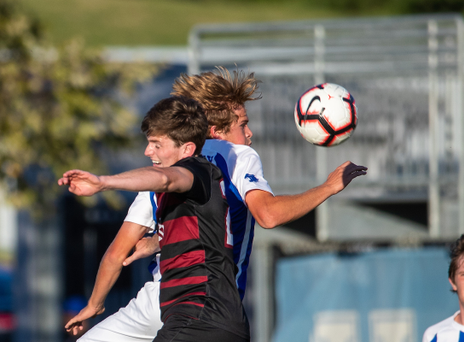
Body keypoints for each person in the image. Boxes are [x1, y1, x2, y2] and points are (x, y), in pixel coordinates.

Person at [64, 67, 367, 342]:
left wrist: (95, 304)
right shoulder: (234, 156)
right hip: (204, 300)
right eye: (242, 124)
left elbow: (117, 253)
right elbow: (268, 214)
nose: (249, 134)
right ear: (215, 131)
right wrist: (327, 187)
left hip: (158, 299)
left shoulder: (160, 169)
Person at [58, 96, 250, 342]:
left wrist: (103, 182)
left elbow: (165, 178)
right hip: (190, 316)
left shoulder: (197, 172)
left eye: (156, 144)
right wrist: (94, 305)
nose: (148, 151)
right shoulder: (189, 196)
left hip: (201, 317)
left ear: (187, 149)